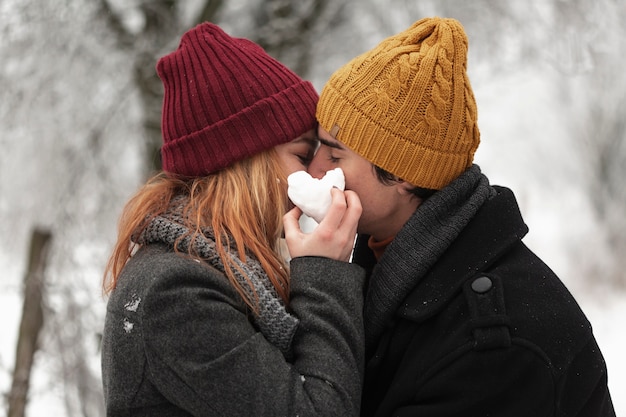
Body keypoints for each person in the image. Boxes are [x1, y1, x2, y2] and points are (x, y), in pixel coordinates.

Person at [308, 17, 616, 417]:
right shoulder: (387, 265)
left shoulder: (494, 346)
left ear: (402, 173)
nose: (313, 168)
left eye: (334, 155)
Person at [100, 22, 365, 416]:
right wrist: (324, 275)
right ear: (244, 163)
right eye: (301, 155)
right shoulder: (176, 294)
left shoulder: (206, 269)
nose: (315, 176)